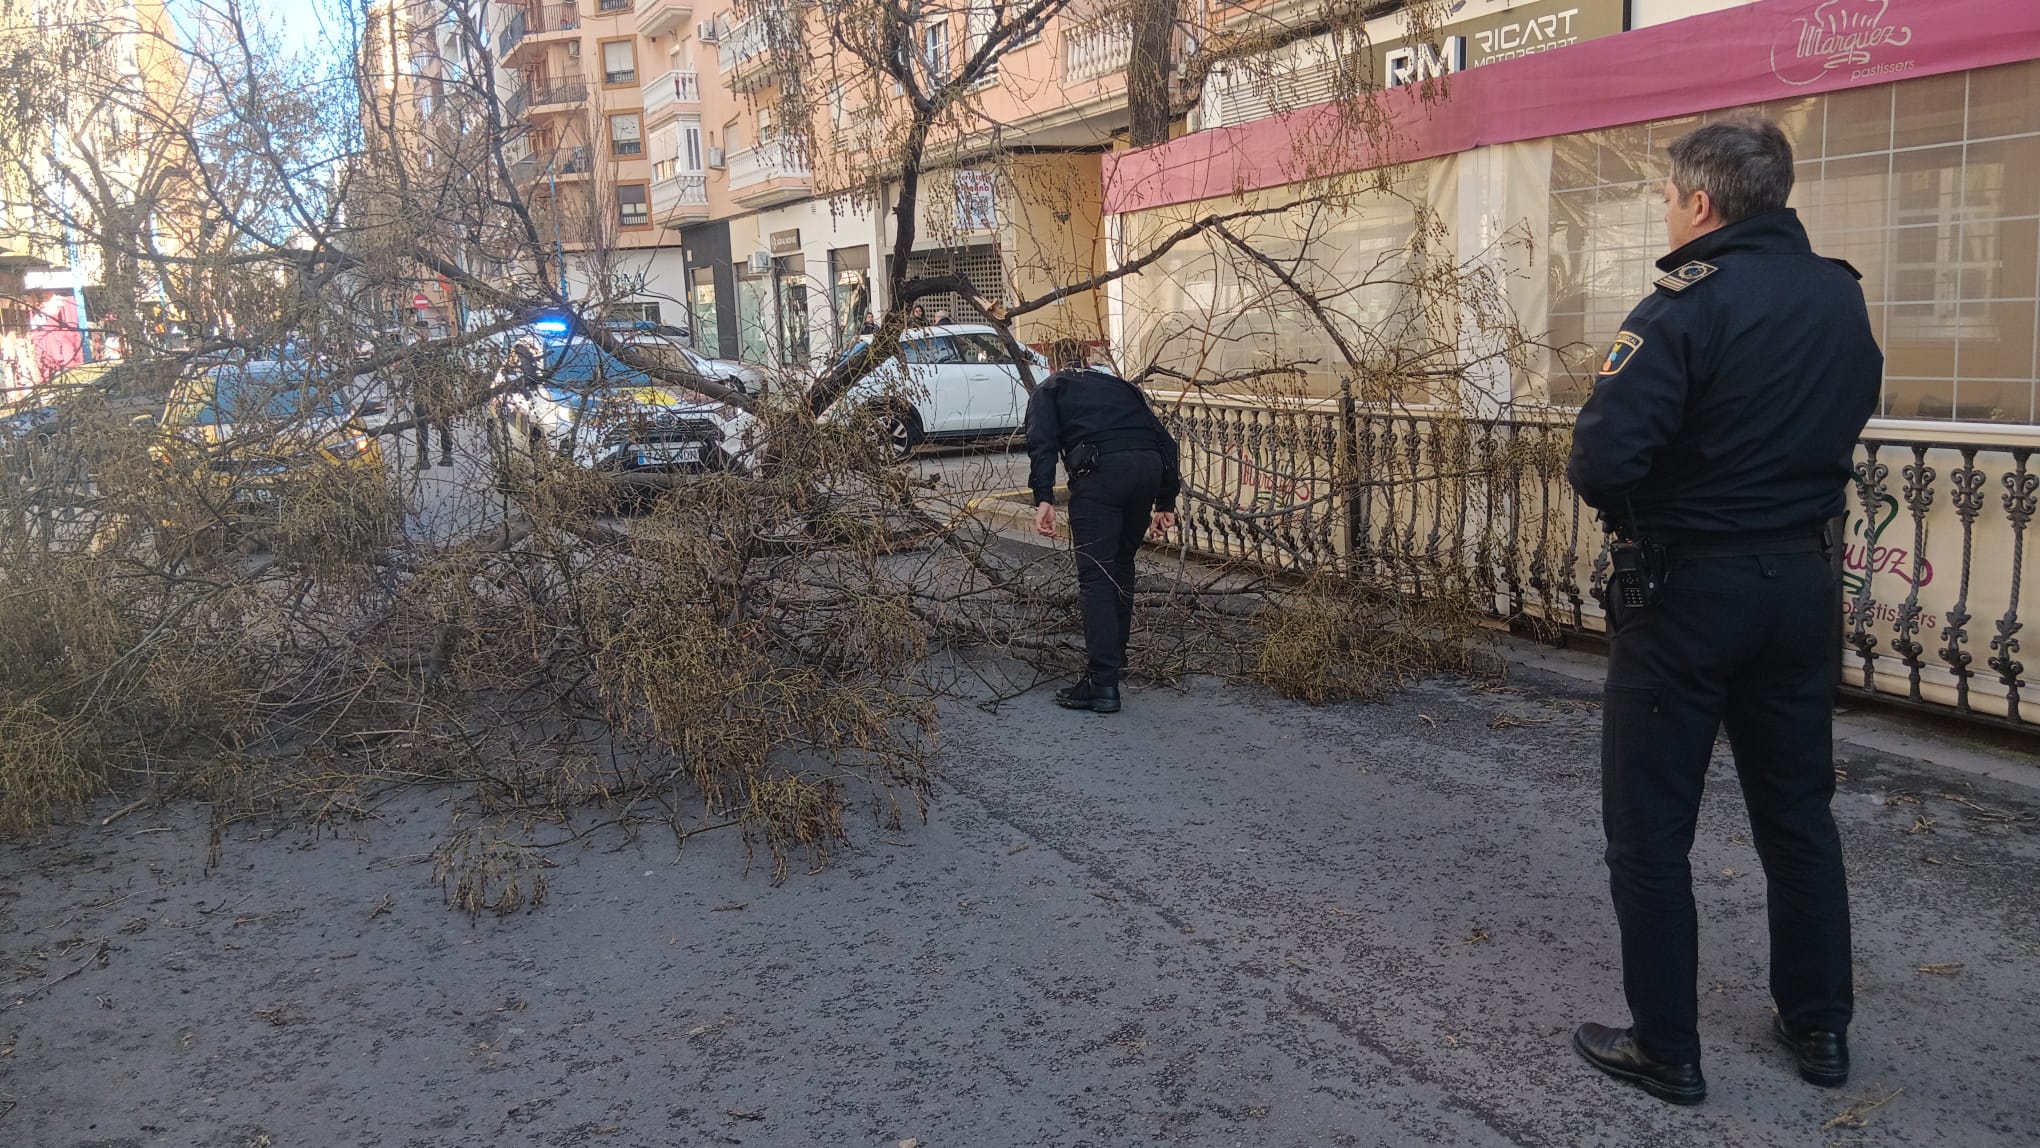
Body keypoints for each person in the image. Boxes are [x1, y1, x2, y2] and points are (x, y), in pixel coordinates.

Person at [1565, 118, 1881, 1106]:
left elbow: (1603, 458)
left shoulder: (1681, 304)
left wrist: (1645, 517)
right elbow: (1853, 402)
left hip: (1687, 590)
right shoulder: (1839, 294)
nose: (1666, 210)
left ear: (1700, 203)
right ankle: (1819, 1023)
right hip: (1802, 586)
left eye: (1667, 194)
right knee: (1797, 812)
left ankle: (1668, 1046)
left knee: (1650, 827)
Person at [1026, 338, 1180, 714]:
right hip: (1145, 468)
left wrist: (1043, 497)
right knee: (1122, 566)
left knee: (1096, 576)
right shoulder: (1122, 386)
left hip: (1100, 475)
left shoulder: (1051, 389)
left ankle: (1102, 685)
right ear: (1089, 361)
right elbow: (1167, 442)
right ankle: (1114, 666)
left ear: (1051, 365)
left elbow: (1042, 444)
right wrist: (1165, 501)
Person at [402, 320, 455, 470]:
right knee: (430, 422)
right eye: (420, 331)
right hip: (430, 392)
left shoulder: (421, 349)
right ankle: (434, 456)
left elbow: (409, 373)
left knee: (433, 422)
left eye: (423, 331)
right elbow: (409, 372)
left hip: (431, 391)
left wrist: (402, 391)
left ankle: (437, 457)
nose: (422, 334)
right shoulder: (434, 348)